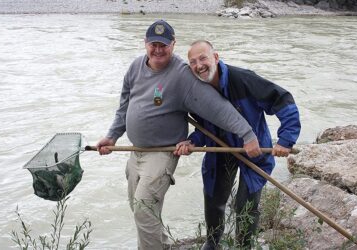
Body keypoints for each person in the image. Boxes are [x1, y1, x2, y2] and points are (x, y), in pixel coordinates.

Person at [96, 21, 262, 250]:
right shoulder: (135, 67)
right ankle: (163, 246)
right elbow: (124, 105)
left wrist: (247, 133)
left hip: (162, 153)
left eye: (164, 45)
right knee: (140, 209)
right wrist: (112, 136)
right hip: (137, 152)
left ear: (173, 45)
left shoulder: (182, 74)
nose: (158, 50)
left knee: (144, 207)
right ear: (145, 43)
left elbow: (217, 107)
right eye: (153, 44)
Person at [174, 40, 301, 249]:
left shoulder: (243, 79)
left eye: (203, 58)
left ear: (216, 57)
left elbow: (282, 99)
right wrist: (193, 141)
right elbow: (204, 129)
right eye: (193, 62)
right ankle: (213, 243)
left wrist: (286, 139)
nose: (199, 65)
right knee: (214, 200)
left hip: (254, 150)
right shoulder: (196, 91)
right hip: (221, 151)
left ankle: (244, 246)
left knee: (245, 205)